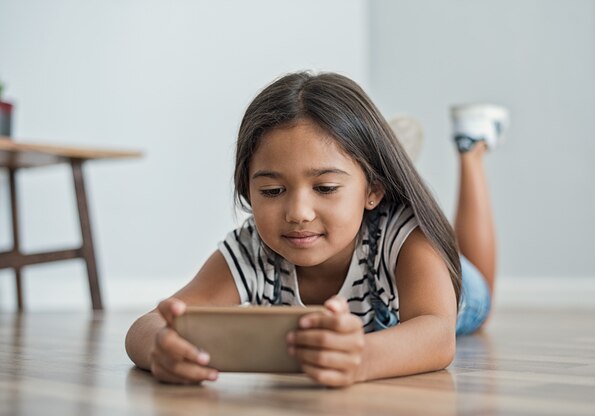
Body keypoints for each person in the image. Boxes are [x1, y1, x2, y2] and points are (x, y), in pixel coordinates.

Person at [125, 71, 508, 387]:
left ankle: (471, 148)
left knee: (477, 289)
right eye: (272, 191)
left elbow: (437, 336)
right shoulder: (251, 249)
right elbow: (149, 324)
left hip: (455, 291)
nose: (298, 213)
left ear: (375, 191)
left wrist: (361, 359)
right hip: (368, 192)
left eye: (324, 188)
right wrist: (161, 346)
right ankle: (366, 164)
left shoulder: (405, 235)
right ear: (247, 189)